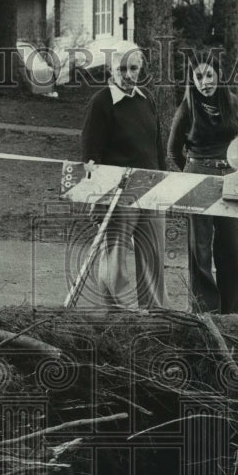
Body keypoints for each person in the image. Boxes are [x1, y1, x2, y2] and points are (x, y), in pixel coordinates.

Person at [79, 44, 166, 309]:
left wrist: (163, 182)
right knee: (115, 258)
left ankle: (155, 313)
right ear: (111, 70)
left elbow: (157, 145)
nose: (127, 74)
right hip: (118, 193)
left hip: (150, 189)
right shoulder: (101, 103)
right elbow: (91, 154)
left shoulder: (146, 99)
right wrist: (97, 198)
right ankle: (117, 315)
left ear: (141, 70)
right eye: (121, 69)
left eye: (133, 68)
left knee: (153, 254)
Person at [167, 52, 238, 314]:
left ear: (219, 76)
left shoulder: (231, 102)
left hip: (231, 179)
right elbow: (173, 151)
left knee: (232, 248)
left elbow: (235, 141)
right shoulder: (187, 108)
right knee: (199, 250)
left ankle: (232, 311)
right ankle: (205, 311)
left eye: (209, 75)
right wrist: (193, 173)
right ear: (192, 80)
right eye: (198, 77)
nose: (204, 82)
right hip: (197, 178)